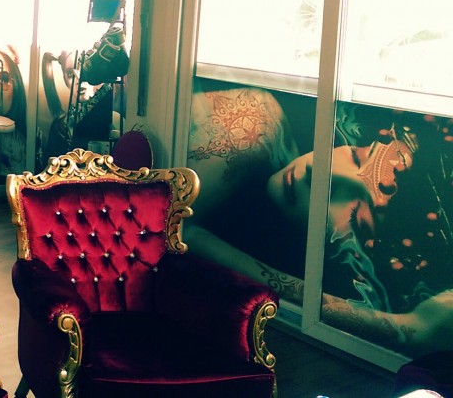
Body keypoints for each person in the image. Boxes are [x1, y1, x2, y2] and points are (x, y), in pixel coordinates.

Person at [185, 84, 453, 356]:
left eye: (357, 212)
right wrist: (402, 328)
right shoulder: (257, 121)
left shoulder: (296, 253)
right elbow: (177, 233)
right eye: (357, 156)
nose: (321, 171)